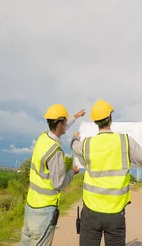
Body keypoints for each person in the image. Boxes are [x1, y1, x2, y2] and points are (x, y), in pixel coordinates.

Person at [71, 99, 142, 246]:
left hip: (91, 211)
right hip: (115, 213)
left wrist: (75, 137)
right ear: (111, 118)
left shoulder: (87, 144)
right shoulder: (125, 141)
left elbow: (74, 145)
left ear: (95, 122)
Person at [20, 104, 86, 246]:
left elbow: (61, 128)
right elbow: (59, 183)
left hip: (31, 204)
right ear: (60, 124)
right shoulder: (55, 151)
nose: (65, 125)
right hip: (44, 209)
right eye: (65, 122)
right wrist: (72, 172)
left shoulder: (43, 138)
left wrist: (76, 116)